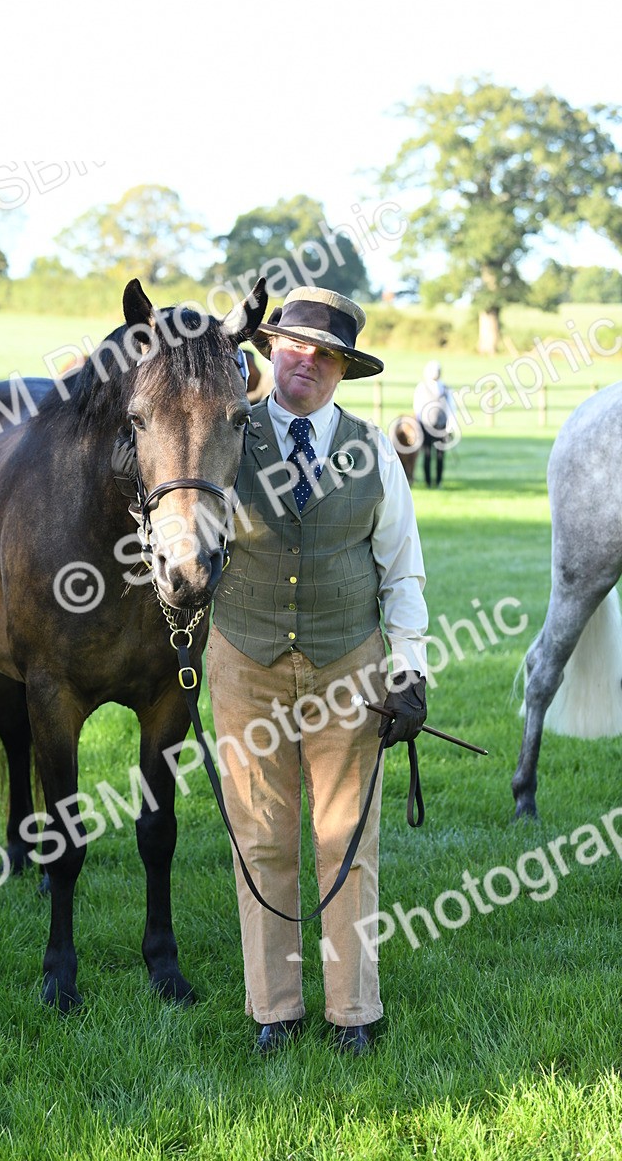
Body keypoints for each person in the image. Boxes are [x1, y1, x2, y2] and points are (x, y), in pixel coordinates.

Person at [206, 286, 428, 1056]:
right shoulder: (225, 436)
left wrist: (409, 669)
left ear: (344, 369)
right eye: (296, 344)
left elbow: (402, 568)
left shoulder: (374, 452)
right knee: (261, 836)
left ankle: (353, 1011)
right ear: (272, 349)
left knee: (348, 841)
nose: (308, 360)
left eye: (326, 353)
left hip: (349, 665)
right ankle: (274, 1008)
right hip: (245, 660)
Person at [413, 360, 457, 488]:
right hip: (426, 425)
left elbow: (451, 408)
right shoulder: (422, 387)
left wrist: (450, 425)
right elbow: (417, 407)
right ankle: (428, 482)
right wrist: (420, 424)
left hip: (441, 426)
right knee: (427, 455)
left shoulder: (446, 388)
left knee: (440, 456)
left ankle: (438, 481)